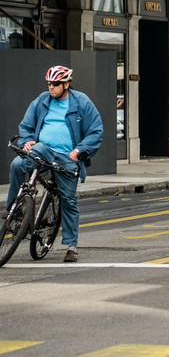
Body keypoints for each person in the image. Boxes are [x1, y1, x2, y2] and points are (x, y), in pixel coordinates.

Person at [5, 66, 103, 263]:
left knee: (68, 199)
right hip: (43, 149)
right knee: (17, 165)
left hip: (67, 157)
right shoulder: (42, 100)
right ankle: (14, 210)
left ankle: (71, 246)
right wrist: (27, 141)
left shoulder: (81, 102)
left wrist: (78, 152)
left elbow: (96, 131)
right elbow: (26, 125)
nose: (51, 87)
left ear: (66, 84)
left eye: (56, 84)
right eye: (49, 83)